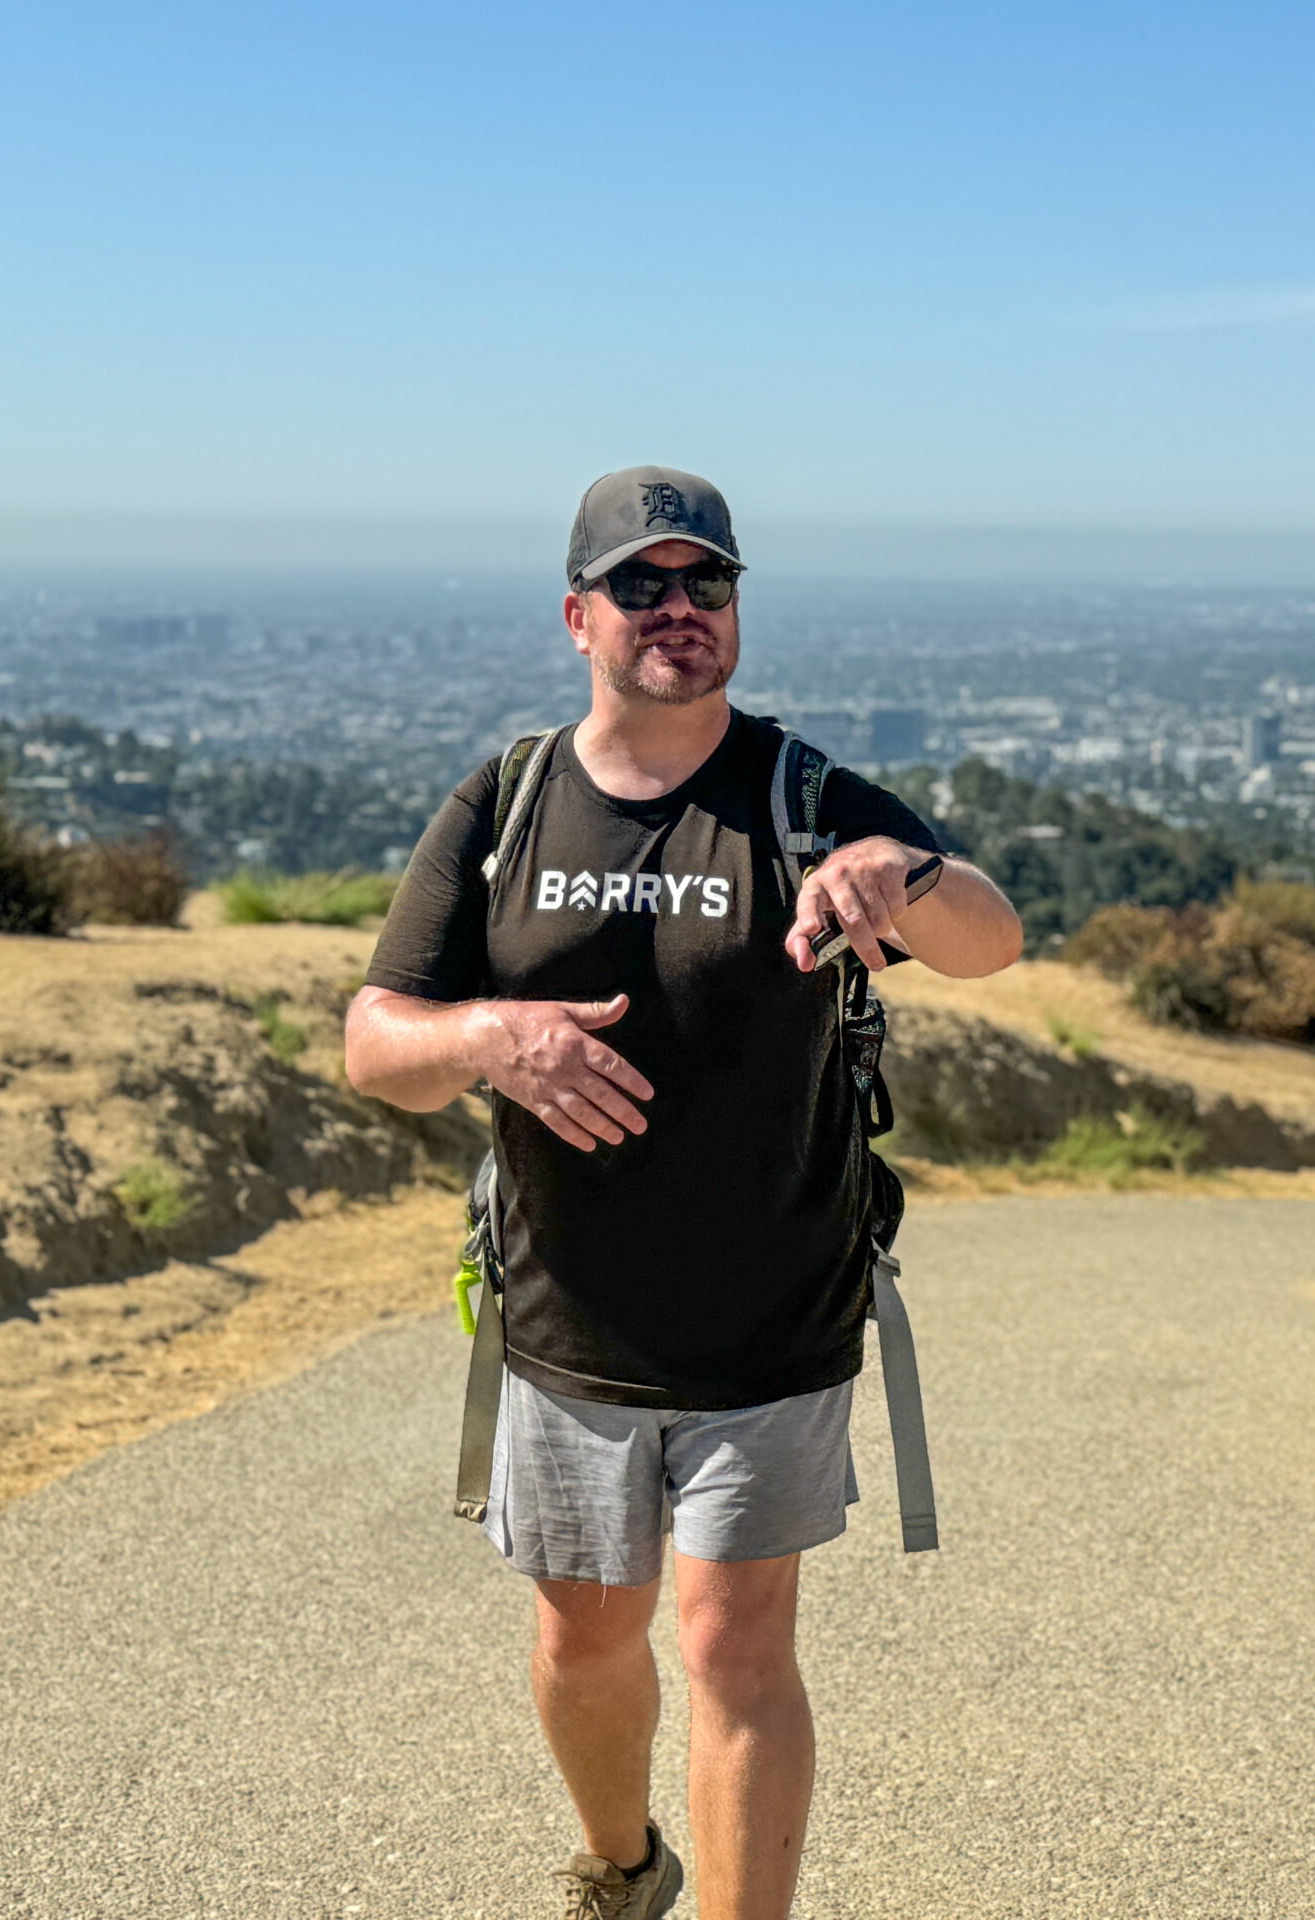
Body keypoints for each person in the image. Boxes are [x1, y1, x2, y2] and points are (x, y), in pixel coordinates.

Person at [345, 466, 1022, 1920]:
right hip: (567, 1323)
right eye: (640, 585)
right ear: (577, 615)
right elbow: (373, 1043)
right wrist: (486, 1038)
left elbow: (991, 935)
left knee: (734, 1647)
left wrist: (897, 874)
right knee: (587, 1641)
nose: (676, 611)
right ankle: (621, 1862)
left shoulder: (802, 800)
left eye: (704, 583)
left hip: (773, 1319)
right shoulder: (508, 801)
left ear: (734, 610)